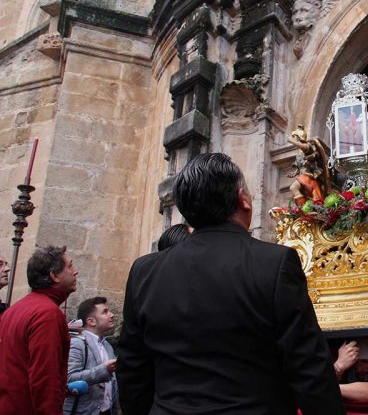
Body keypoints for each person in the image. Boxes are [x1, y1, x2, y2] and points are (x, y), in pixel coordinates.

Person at [117, 152, 344, 415]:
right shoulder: (275, 263)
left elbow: (132, 371)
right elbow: (310, 371)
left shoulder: (145, 271)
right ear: (243, 200)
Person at [0, 245, 79, 414]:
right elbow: (45, 379)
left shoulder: (13, 310)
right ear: (54, 275)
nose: (76, 271)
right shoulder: (47, 313)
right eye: (70, 266)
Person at [64, 297, 118, 415]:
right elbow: (69, 379)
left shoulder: (107, 345)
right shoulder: (77, 343)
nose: (112, 315)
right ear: (91, 321)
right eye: (105, 312)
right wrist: (104, 370)